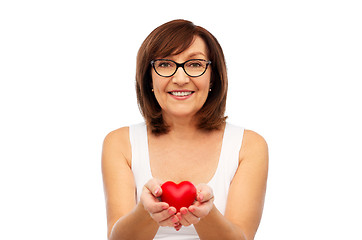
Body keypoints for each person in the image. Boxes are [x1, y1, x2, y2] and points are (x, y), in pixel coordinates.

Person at [101, 19, 268, 240]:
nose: (180, 78)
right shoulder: (120, 142)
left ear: (213, 77)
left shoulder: (249, 145)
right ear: (148, 77)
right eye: (165, 64)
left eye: (195, 64)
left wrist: (205, 214)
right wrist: (146, 211)